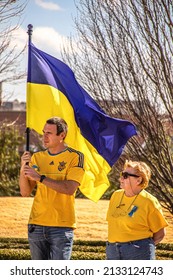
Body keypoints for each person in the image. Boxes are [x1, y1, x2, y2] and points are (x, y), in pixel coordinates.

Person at [19, 117, 85, 260]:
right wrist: (23, 167)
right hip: (36, 225)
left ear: (62, 135)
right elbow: (25, 192)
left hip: (61, 227)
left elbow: (69, 188)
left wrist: (40, 178)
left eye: (49, 133)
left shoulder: (75, 157)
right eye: (44, 132)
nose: (44, 137)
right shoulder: (37, 157)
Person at [106, 160, 168, 260]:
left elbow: (160, 233)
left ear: (138, 180)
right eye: (122, 174)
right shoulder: (115, 195)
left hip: (138, 253)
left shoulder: (149, 201)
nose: (121, 178)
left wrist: (140, 248)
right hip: (112, 251)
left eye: (125, 175)